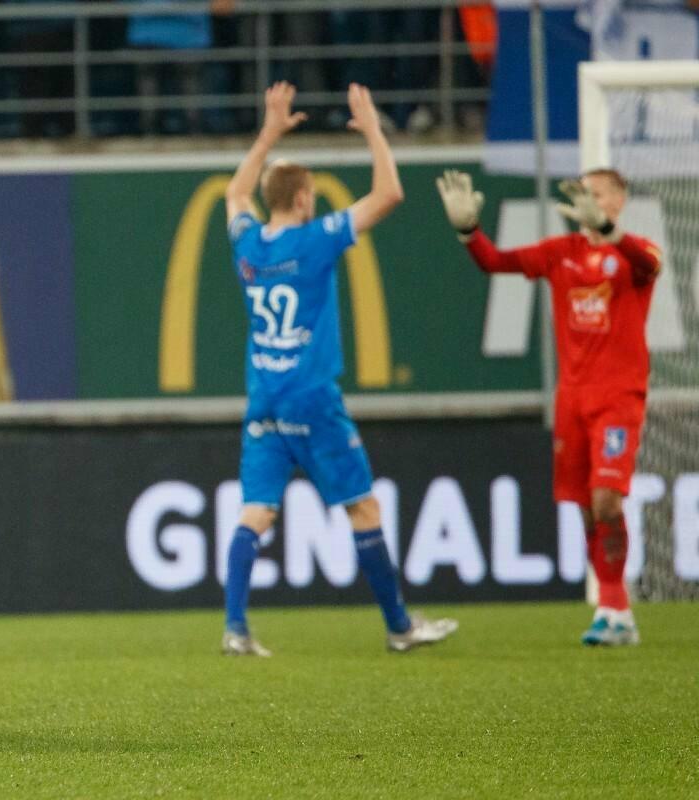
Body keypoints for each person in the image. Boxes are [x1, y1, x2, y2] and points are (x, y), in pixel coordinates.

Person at [221, 81, 458, 655]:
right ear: (305, 199)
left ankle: (235, 630)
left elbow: (234, 193)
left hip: (264, 398)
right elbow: (389, 193)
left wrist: (269, 134)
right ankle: (399, 627)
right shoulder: (316, 239)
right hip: (311, 397)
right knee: (362, 506)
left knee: (257, 512)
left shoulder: (249, 245)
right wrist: (373, 128)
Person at [437, 168, 661, 646]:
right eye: (582, 193)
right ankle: (613, 611)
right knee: (585, 508)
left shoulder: (636, 253)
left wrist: (608, 232)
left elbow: (647, 265)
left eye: (597, 194)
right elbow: (495, 262)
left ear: (618, 201)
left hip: (618, 396)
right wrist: (468, 232)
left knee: (606, 498)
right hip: (572, 399)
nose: (587, 202)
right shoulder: (561, 253)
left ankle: (616, 607)